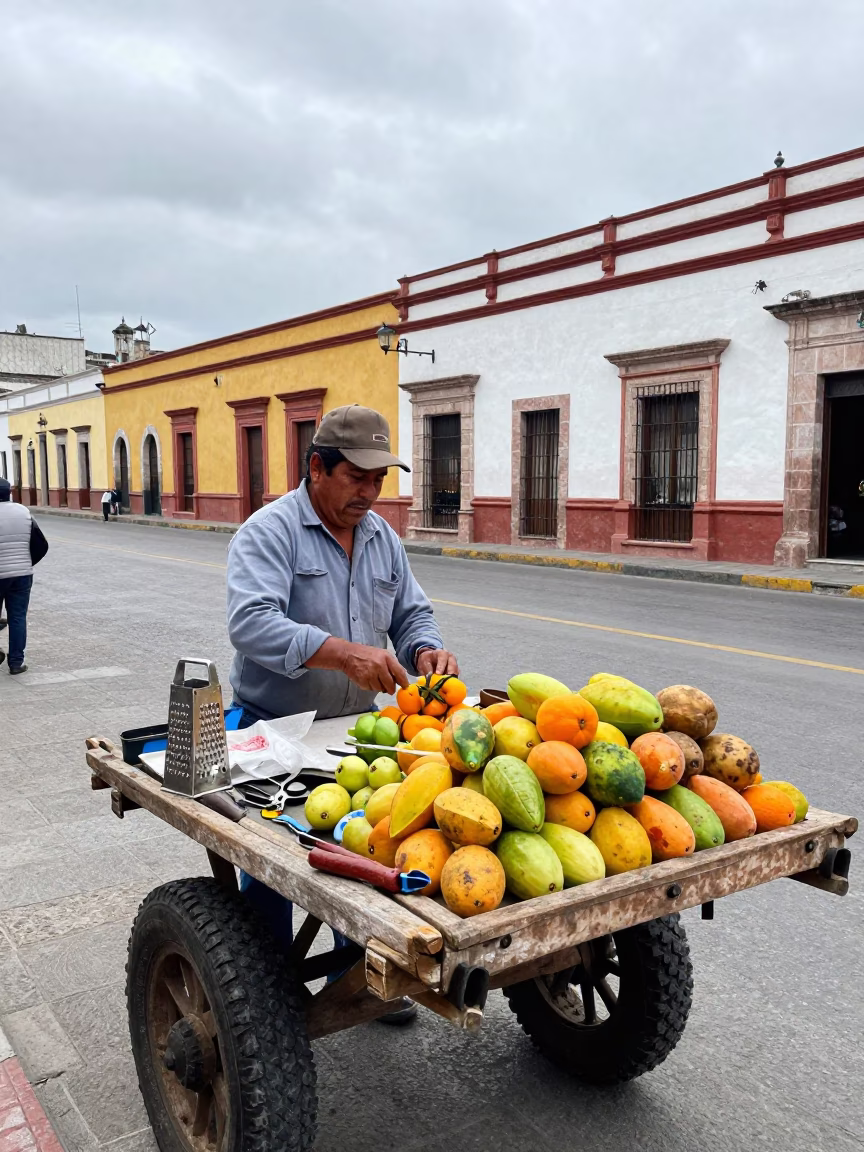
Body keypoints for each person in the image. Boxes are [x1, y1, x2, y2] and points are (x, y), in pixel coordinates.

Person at [227, 404, 458, 1022]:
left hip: (357, 734)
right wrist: (342, 654)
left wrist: (425, 647)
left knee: (360, 849)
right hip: (270, 728)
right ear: (317, 468)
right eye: (357, 476)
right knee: (273, 863)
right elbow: (251, 625)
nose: (370, 491)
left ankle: (352, 976)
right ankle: (269, 991)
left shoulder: (383, 537)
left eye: (379, 479)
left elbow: (412, 613)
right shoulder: (269, 531)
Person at [0, 477, 48, 674]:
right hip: (22, 575)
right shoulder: (24, 512)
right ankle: (16, 663)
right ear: (9, 493)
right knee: (18, 617)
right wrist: (26, 562)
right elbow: (41, 544)